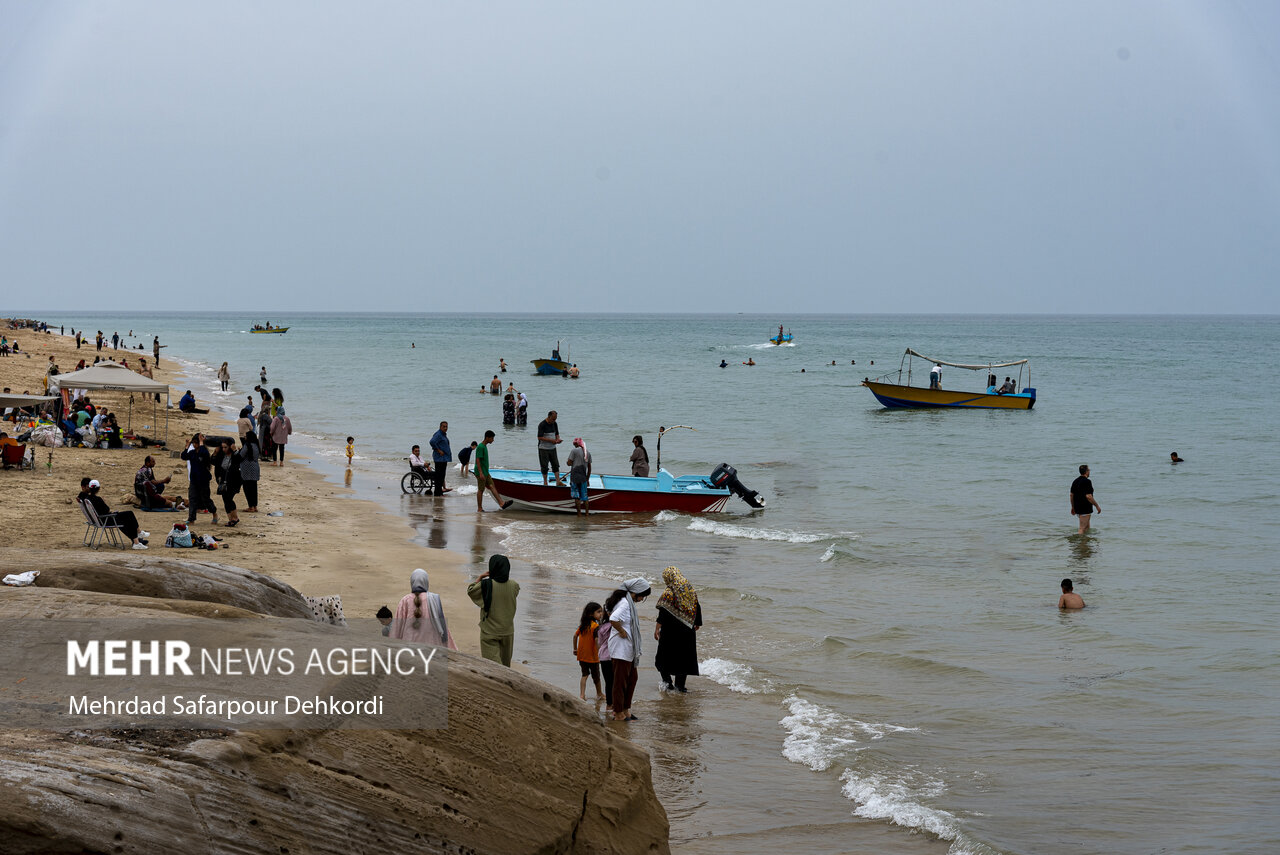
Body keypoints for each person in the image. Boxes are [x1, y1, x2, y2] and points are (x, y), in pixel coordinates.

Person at [607, 578, 651, 721]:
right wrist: (621, 631)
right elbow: (613, 618)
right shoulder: (625, 604)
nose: (642, 599)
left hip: (628, 648)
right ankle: (618, 713)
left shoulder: (627, 602)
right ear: (635, 593)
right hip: (621, 648)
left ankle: (626, 710)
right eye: (642, 596)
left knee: (632, 678)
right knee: (620, 682)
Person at [654, 567, 702, 692]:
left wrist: (657, 628)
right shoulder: (689, 590)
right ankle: (680, 687)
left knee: (663, 657)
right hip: (687, 631)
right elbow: (697, 606)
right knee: (683, 658)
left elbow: (663, 612)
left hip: (670, 631)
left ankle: (667, 683)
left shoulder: (669, 592)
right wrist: (697, 623)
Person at [467, 555, 519, 666]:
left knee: (493, 667)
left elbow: (471, 591)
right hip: (508, 632)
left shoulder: (486, 585)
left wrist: (480, 577)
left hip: (489, 632)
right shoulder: (514, 585)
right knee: (506, 666)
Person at [392, 569, 458, 650]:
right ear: (426, 582)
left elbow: (397, 627)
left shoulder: (405, 600)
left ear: (412, 582)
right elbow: (442, 626)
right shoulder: (433, 599)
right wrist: (452, 648)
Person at [82, 478, 150, 549]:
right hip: (106, 520)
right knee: (129, 516)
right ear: (99, 488)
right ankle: (138, 537)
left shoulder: (87, 499)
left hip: (100, 519)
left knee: (128, 516)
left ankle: (137, 539)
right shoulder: (98, 499)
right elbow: (107, 509)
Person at [182, 433, 218, 526]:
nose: (194, 445)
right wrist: (187, 446)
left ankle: (214, 513)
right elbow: (184, 456)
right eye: (193, 443)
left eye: (196, 443)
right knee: (192, 498)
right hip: (194, 479)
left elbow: (203, 453)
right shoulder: (192, 453)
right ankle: (191, 519)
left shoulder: (204, 452)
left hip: (203, 480)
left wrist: (202, 442)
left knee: (205, 499)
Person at [474, 430, 513, 511]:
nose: (493, 440)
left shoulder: (484, 446)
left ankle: (501, 503)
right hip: (480, 472)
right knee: (481, 490)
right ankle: (479, 508)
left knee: (492, 486)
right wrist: (480, 473)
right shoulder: (480, 447)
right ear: (487, 438)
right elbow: (478, 460)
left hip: (485, 472)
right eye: (492, 438)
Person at [573, 602, 604, 701]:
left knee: (584, 675)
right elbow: (596, 641)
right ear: (591, 614)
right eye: (599, 612)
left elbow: (575, 636)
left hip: (582, 656)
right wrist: (600, 653)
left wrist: (575, 649)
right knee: (596, 677)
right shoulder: (595, 626)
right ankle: (599, 694)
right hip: (593, 657)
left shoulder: (583, 625)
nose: (601, 614)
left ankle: (582, 695)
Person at [212, 438, 243, 527]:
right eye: (223, 447)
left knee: (229, 498)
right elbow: (213, 461)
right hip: (223, 481)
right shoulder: (221, 455)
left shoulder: (234, 455)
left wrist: (235, 450)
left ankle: (235, 518)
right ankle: (230, 519)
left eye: (225, 447)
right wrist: (215, 452)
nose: (224, 449)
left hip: (234, 481)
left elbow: (240, 460)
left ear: (230, 447)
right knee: (225, 499)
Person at [597, 595, 618, 711]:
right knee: (616, 682)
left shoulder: (602, 627)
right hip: (615, 656)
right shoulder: (616, 626)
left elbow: (600, 642)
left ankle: (609, 705)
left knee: (608, 682)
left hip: (604, 657)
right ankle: (615, 704)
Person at [1070, 464, 1101, 534]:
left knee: (1087, 527)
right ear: (1086, 471)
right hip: (1085, 508)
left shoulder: (1075, 481)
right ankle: (1079, 543)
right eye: (1089, 470)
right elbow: (1088, 496)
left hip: (1078, 507)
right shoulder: (1087, 481)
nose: (1089, 471)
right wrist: (1097, 506)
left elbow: (1071, 495)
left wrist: (1073, 507)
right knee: (1082, 528)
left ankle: (1085, 543)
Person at [537, 410, 564, 486]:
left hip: (553, 448)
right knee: (544, 466)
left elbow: (557, 434)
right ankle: (545, 482)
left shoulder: (555, 424)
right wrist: (551, 440)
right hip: (543, 448)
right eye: (553, 419)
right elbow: (539, 437)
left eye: (555, 419)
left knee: (555, 465)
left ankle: (558, 481)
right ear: (549, 417)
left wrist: (558, 439)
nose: (554, 421)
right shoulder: (542, 424)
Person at [566, 437, 592, 515]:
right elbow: (589, 468)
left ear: (577, 444)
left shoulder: (574, 451)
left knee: (577, 496)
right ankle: (587, 513)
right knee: (585, 497)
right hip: (583, 478)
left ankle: (579, 514)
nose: (574, 446)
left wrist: (568, 462)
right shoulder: (588, 453)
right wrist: (587, 479)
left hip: (575, 477)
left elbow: (569, 463)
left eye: (575, 444)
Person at [239, 431, 261, 513]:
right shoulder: (256, 445)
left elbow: (241, 455)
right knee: (254, 488)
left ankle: (250, 506)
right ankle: (255, 506)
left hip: (247, 468)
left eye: (246, 436)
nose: (244, 437)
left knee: (247, 488)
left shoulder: (247, 445)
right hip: (255, 468)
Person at [429, 421, 452, 495]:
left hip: (443, 458)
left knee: (442, 475)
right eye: (444, 426)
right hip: (439, 458)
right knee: (439, 475)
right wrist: (438, 450)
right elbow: (432, 442)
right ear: (440, 427)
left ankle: (439, 491)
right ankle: (437, 493)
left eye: (446, 426)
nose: (445, 428)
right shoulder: (438, 434)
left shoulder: (443, 435)